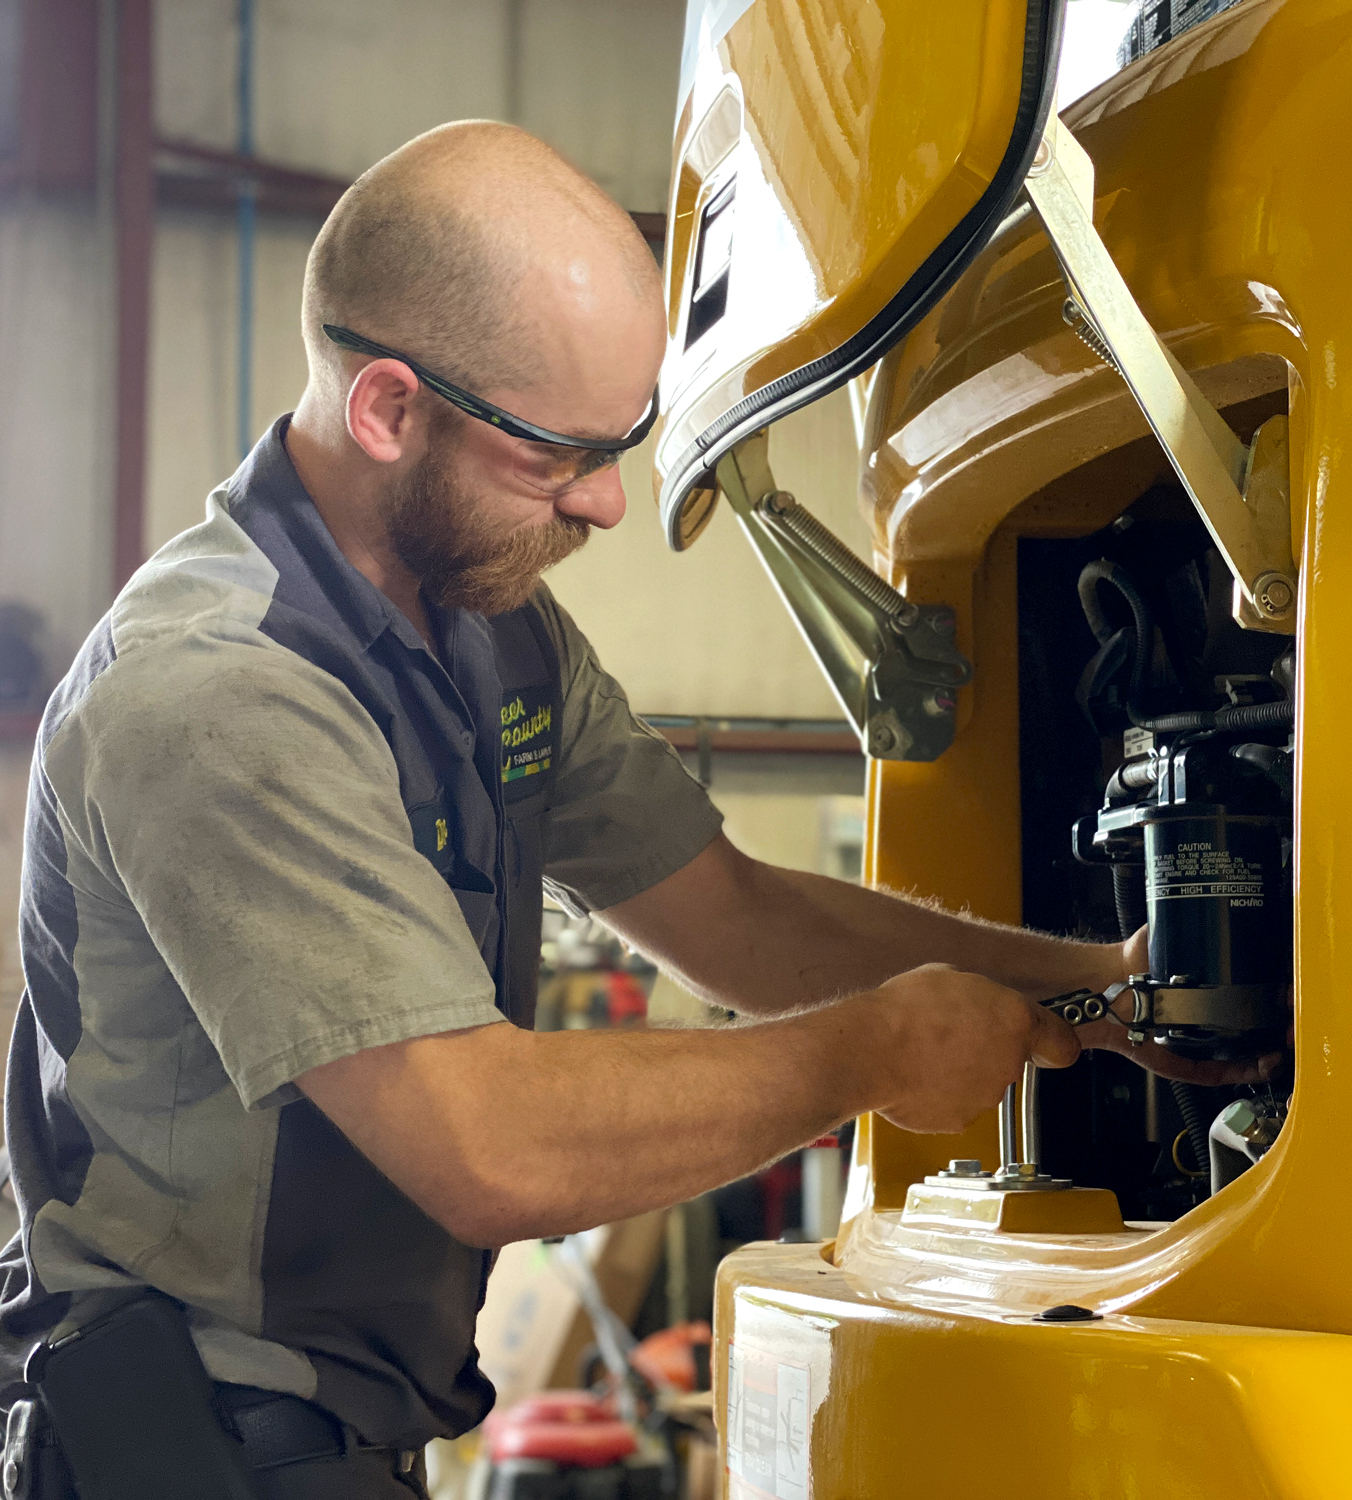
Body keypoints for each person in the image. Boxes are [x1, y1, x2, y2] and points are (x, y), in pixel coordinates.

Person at [0, 122, 1264, 1497]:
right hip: (177, 1449)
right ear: (385, 411)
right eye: (559, 457)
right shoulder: (221, 692)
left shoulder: (497, 636)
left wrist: (1101, 989)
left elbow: (733, 914)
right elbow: (487, 1143)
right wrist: (878, 1053)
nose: (605, 504)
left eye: (628, 442)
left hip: (337, 1443)